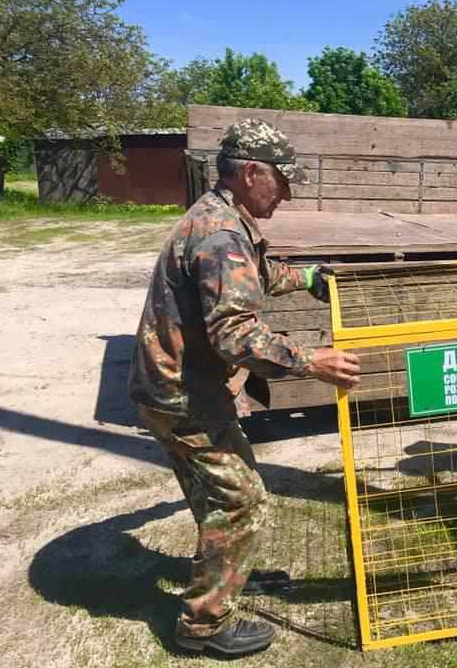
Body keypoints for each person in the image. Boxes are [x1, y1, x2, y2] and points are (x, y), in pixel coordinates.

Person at [128, 118, 361, 657]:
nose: (288, 191)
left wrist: (306, 278)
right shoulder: (221, 234)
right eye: (283, 180)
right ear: (252, 172)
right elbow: (235, 337)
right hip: (183, 397)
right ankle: (203, 625)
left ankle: (227, 578)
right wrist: (312, 361)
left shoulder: (221, 218)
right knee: (242, 504)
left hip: (167, 388)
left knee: (217, 502)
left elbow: (252, 274)